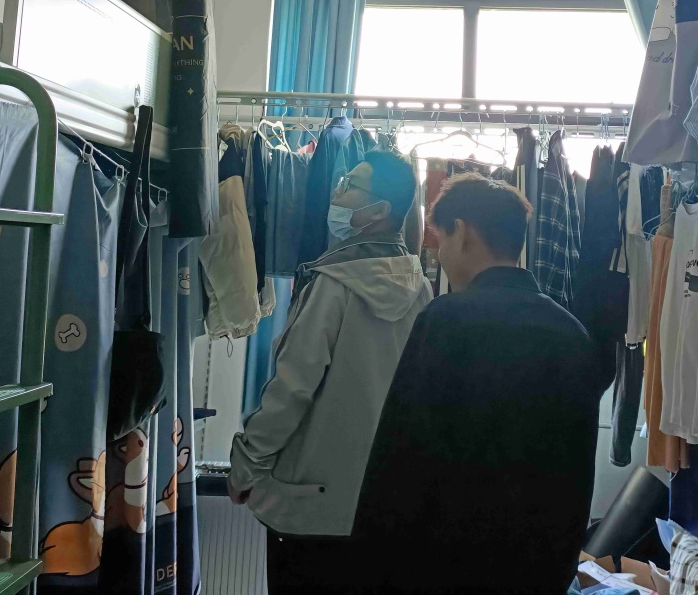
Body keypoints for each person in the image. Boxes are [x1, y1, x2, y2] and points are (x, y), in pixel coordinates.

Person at [352, 173, 601, 594]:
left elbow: (399, 458)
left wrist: (371, 563)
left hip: (442, 567)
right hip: (536, 571)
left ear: (462, 232)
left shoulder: (445, 321)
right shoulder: (572, 334)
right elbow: (577, 481)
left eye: (441, 240)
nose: (440, 254)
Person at [228, 150, 432, 594]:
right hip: (382, 506)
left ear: (377, 211)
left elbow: (290, 391)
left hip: (309, 510)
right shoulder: (421, 289)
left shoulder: (333, 285)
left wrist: (245, 467)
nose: (336, 192)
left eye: (348, 185)